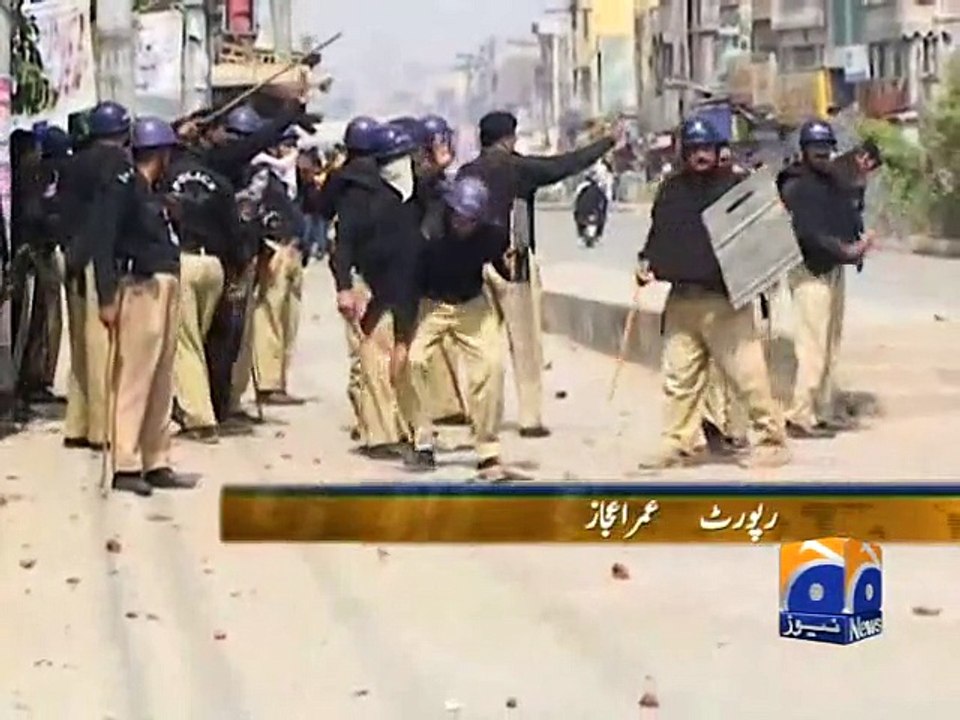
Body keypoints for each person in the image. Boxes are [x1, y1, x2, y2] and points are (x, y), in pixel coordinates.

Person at [636, 117, 789, 470]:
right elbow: (660, 235)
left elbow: (764, 240)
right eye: (694, 149)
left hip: (725, 303)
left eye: (707, 148)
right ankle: (678, 443)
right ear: (684, 152)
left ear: (718, 150)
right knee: (679, 380)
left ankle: (771, 440)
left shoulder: (737, 189)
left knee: (747, 376)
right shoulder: (671, 190)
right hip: (681, 301)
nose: (701, 155)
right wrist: (646, 262)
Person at [457, 110, 619, 438]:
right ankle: (529, 418)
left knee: (481, 346)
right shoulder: (520, 169)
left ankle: (482, 415)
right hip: (514, 263)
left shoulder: (466, 173)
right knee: (526, 345)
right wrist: (607, 142)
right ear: (508, 138)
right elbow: (565, 164)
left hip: (473, 266)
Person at [92, 116, 185, 496]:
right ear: (161, 154)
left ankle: (156, 458)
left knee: (162, 375)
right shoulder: (123, 188)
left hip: (165, 284)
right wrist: (106, 296)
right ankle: (126, 463)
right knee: (134, 377)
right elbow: (103, 243)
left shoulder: (151, 192)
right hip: (139, 287)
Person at [403, 176, 517, 480]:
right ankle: (423, 441)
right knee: (414, 361)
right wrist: (405, 322)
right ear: (451, 210)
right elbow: (411, 281)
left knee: (491, 367)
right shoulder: (429, 235)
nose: (463, 223)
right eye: (459, 216)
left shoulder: (491, 236)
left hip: (472, 306)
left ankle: (487, 450)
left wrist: (513, 264)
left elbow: (505, 270)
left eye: (470, 219)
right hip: (432, 304)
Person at [333, 122, 425, 458]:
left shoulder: (412, 196)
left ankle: (403, 428)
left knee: (403, 361)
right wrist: (344, 287)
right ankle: (380, 436)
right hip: (374, 288)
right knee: (374, 360)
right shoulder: (361, 197)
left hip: (408, 289)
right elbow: (342, 245)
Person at [781, 119, 874, 438]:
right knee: (812, 346)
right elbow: (808, 234)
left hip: (833, 269)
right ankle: (799, 414)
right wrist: (845, 250)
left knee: (831, 344)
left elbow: (848, 213)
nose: (822, 154)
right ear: (804, 151)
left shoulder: (831, 181)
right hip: (810, 270)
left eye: (826, 148)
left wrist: (860, 181)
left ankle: (822, 409)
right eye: (816, 149)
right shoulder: (798, 185)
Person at [61, 101, 132, 451]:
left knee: (79, 349)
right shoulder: (117, 163)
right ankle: (102, 429)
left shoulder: (73, 164)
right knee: (103, 348)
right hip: (99, 259)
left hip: (73, 257)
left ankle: (79, 422)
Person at [165, 136, 242, 441]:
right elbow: (234, 233)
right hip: (214, 265)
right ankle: (205, 404)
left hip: (183, 261)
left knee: (186, 343)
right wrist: (235, 269)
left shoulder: (165, 179)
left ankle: (199, 418)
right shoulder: (221, 184)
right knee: (203, 338)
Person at [413, 114, 471, 428]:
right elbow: (422, 188)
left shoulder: (446, 177)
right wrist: (438, 166)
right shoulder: (420, 172)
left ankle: (448, 403)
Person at [250, 139, 307, 405]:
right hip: (274, 248)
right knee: (268, 316)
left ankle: (280, 380)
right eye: (285, 143)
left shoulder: (290, 178)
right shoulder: (261, 174)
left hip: (293, 248)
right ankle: (268, 383)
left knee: (288, 321)